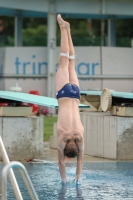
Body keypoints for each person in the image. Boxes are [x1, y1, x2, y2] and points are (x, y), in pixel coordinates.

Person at [55, 14, 84, 183]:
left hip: (75, 93)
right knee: (63, 60)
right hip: (65, 93)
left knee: (72, 61)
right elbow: (60, 161)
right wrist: (65, 179)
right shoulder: (62, 135)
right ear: (65, 147)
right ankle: (63, 27)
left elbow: (81, 159)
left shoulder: (80, 135)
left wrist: (79, 177)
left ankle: (69, 30)